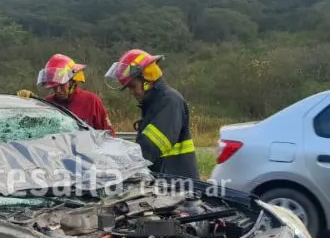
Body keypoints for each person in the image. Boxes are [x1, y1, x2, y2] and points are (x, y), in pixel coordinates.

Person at [104, 49, 199, 180]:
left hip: (178, 183)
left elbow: (149, 147)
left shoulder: (169, 101)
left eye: (132, 86)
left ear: (147, 79)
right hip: (168, 179)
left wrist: (118, 166)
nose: (131, 92)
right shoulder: (155, 103)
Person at [17, 54, 115, 135]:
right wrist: (29, 103)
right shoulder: (48, 104)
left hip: (87, 156)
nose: (58, 90)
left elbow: (109, 136)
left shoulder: (91, 101)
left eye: (62, 85)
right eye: (54, 87)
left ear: (73, 81)